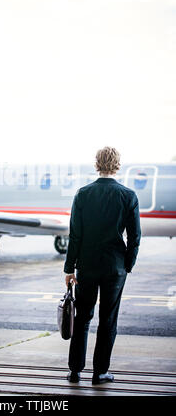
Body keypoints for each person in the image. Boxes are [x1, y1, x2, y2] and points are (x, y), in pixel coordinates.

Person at [64, 146, 141, 385]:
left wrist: (69, 268)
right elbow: (135, 237)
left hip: (86, 266)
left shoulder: (83, 194)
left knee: (83, 317)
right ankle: (100, 373)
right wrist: (127, 265)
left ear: (97, 164)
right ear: (118, 165)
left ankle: (75, 371)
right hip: (114, 267)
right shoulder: (128, 196)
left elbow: (75, 235)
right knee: (108, 320)